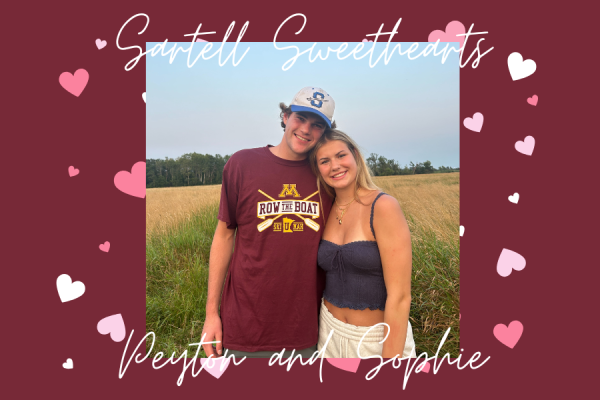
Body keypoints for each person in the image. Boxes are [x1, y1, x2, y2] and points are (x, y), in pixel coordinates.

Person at [200, 87, 336, 358]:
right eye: (300, 118)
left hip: (306, 328)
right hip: (244, 325)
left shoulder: (327, 175)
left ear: (326, 133)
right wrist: (211, 314)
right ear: (286, 117)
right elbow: (224, 237)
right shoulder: (242, 164)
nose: (307, 130)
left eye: (317, 125)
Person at [309, 129, 417, 358]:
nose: (335, 166)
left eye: (341, 155)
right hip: (328, 335)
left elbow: (400, 297)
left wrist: (390, 362)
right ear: (318, 169)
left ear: (355, 155)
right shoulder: (324, 210)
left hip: (375, 341)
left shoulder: (383, 206)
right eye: (324, 161)